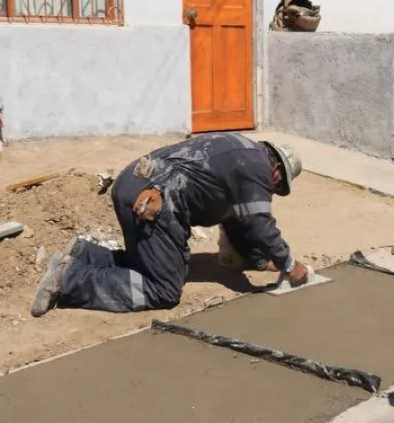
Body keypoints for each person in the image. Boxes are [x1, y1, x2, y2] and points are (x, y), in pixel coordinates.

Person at [30, 134, 308, 317]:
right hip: (154, 201)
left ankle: (86, 254)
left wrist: (259, 261)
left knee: (148, 263)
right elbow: (259, 225)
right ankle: (70, 279)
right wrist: (288, 264)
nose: (273, 191)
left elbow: (240, 222)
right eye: (278, 186)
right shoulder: (257, 169)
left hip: (134, 181)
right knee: (162, 288)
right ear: (276, 172)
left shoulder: (240, 149)